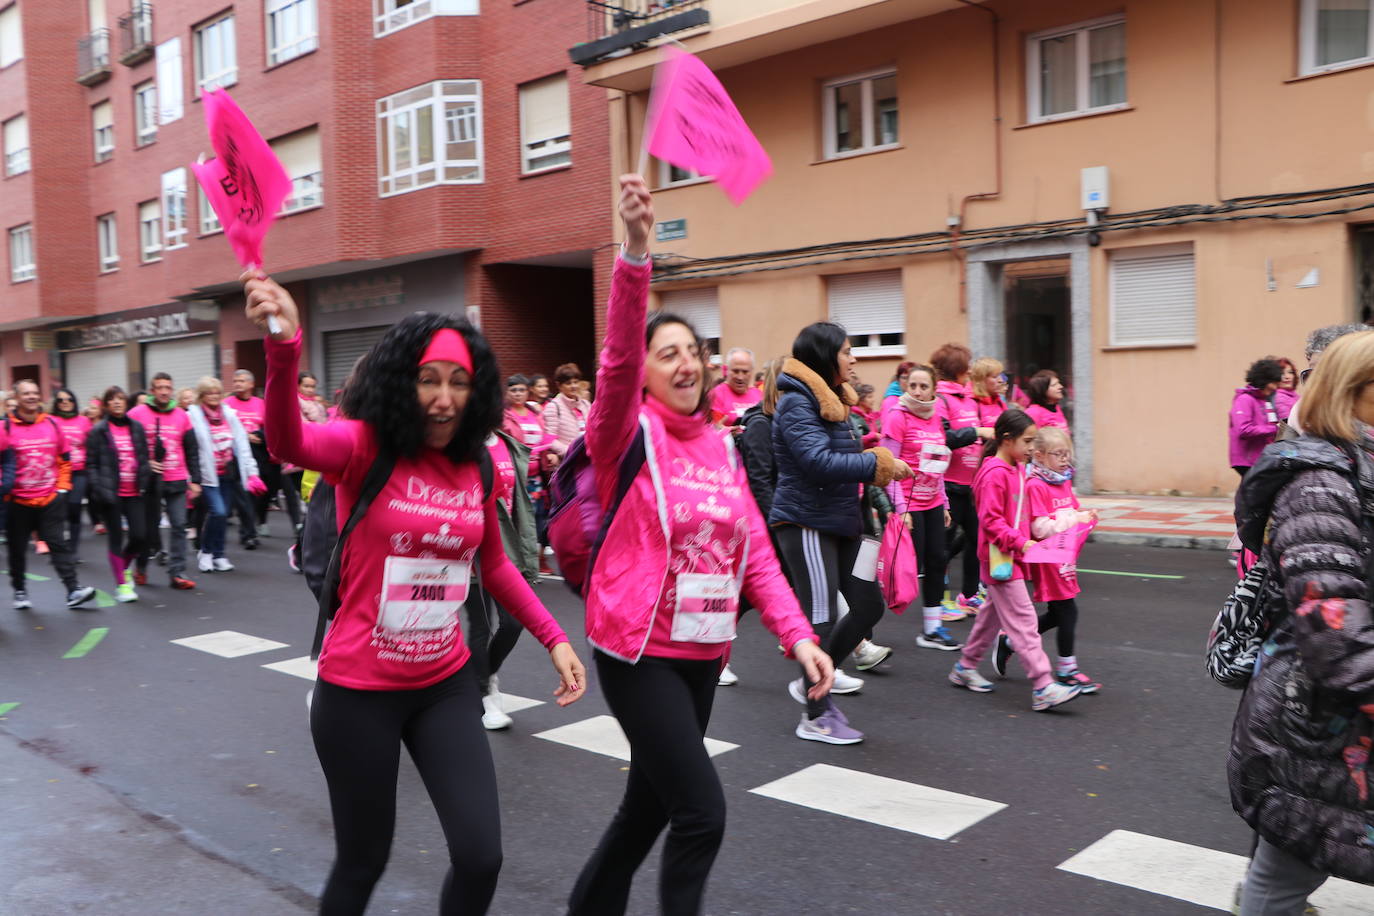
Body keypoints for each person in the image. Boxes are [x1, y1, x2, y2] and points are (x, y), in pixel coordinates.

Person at [243, 262, 587, 916]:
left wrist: (554, 637)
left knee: (482, 857)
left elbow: (495, 564)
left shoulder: (476, 463)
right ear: (404, 384)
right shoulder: (364, 446)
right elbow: (287, 439)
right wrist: (283, 345)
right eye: (429, 380)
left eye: (460, 382)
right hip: (358, 693)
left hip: (443, 684)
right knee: (363, 861)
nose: (444, 397)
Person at [567, 176, 833, 916]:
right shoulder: (625, 434)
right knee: (702, 813)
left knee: (643, 815)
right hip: (640, 654)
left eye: (694, 350)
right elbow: (616, 363)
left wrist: (800, 639)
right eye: (669, 353)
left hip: (702, 655)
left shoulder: (720, 447)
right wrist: (636, 256)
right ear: (647, 372)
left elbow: (754, 553)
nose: (686, 362)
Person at [1230, 329, 1374, 913]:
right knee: (1284, 870)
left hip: (1348, 714)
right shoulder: (1321, 482)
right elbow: (1332, 627)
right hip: (1320, 720)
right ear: (1354, 393)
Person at [770, 320, 912, 743]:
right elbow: (818, 462)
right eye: (848, 351)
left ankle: (815, 675)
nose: (854, 358)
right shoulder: (797, 402)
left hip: (843, 522)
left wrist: (874, 465)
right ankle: (814, 716)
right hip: (807, 523)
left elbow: (837, 458)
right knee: (821, 620)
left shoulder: (832, 402)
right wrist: (880, 464)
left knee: (869, 606)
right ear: (824, 356)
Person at [947, 408, 1081, 711]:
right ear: (1007, 440)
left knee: (990, 617)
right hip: (1000, 558)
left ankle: (965, 667)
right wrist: (1022, 543)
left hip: (1013, 556)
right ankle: (1043, 685)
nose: (1033, 448)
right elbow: (992, 522)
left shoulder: (1018, 468)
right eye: (1028, 441)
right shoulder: (995, 474)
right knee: (1024, 621)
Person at [993, 425, 1100, 692]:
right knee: (1068, 610)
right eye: (1058, 453)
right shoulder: (1036, 485)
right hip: (1047, 556)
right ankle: (1067, 670)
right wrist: (1074, 519)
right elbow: (1039, 527)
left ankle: (1009, 642)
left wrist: (1084, 518)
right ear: (1039, 455)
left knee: (1057, 612)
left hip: (1065, 555)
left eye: (1067, 453)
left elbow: (1071, 511)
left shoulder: (1062, 480)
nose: (1064, 459)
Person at [881, 363, 979, 650]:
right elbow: (888, 466)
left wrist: (945, 503)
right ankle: (860, 620)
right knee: (909, 566)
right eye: (912, 385)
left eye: (924, 386)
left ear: (933, 390)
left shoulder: (936, 417)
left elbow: (937, 466)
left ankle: (932, 629)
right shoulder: (897, 417)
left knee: (938, 560)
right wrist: (902, 508)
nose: (918, 391)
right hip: (909, 502)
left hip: (934, 501)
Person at [465, 426, 540, 731]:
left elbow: (518, 498)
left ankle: (484, 673)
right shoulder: (461, 442)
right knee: (481, 626)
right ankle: (485, 695)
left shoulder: (507, 443)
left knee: (513, 623)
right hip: (471, 549)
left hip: (506, 549)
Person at [5, 380, 96, 610]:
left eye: (35, 392)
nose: (32, 397)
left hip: (50, 498)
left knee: (58, 544)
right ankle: (19, 589)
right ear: (16, 397)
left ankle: (73, 590)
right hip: (17, 501)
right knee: (17, 548)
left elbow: (65, 460)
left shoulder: (52, 424)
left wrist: (62, 488)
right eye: (26, 393)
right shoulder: (5, 428)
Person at [932, 343, 995, 618]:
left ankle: (968, 596)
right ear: (955, 369)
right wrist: (977, 430)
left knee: (977, 541)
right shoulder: (941, 400)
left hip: (972, 485)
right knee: (942, 547)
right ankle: (940, 601)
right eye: (966, 365)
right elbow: (943, 437)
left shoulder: (969, 399)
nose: (970, 369)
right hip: (948, 486)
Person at [129, 373, 201, 590]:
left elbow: (192, 450)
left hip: (176, 478)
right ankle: (141, 568)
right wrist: (146, 462)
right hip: (149, 481)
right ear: (152, 390)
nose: (163, 391)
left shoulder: (181, 415)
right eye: (159, 387)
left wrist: (195, 480)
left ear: (172, 390)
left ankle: (177, 573)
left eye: (167, 387)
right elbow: (125, 447)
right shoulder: (136, 414)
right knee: (148, 530)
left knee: (179, 526)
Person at [186, 377, 264, 574]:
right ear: (201, 396)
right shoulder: (192, 416)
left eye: (217, 393)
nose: (213, 396)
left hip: (228, 472)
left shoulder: (229, 414)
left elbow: (242, 444)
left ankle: (219, 554)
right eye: (209, 393)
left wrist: (252, 473)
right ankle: (205, 552)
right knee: (218, 512)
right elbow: (189, 447)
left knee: (223, 515)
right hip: (206, 475)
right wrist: (191, 477)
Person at [85, 387, 151, 604]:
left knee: (140, 536)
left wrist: (145, 478)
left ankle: (123, 567)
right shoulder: (99, 431)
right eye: (112, 399)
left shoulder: (137, 428)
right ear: (105, 405)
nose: (117, 403)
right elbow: (92, 464)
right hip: (111, 493)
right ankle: (122, 585)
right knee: (115, 538)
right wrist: (98, 488)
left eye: (121, 399)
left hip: (134, 491)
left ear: (126, 403)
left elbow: (143, 457)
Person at [501, 374, 558, 576]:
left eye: (522, 390)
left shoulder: (536, 413)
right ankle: (515, 564)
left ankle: (532, 562)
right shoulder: (504, 416)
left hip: (536, 477)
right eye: (513, 390)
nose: (518, 394)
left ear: (528, 392)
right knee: (517, 519)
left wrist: (549, 453)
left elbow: (545, 439)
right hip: (515, 476)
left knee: (539, 519)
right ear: (507, 393)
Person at [228, 369, 268, 549]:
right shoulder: (227, 404)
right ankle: (248, 534)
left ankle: (253, 526)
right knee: (243, 496)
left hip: (257, 453)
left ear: (251, 384)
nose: (238, 384)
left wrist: (259, 435)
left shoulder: (260, 404)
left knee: (255, 495)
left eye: (242, 381)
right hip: (235, 454)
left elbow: (270, 427)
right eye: (235, 381)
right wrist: (243, 435)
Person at [50, 388, 93, 557]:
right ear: (56, 403)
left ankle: (73, 551)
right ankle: (59, 548)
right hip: (58, 473)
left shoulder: (84, 421)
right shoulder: (51, 420)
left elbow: (92, 445)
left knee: (74, 508)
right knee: (60, 511)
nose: (65, 402)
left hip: (79, 472)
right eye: (61, 400)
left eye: (69, 399)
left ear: (74, 402)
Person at [1230, 359, 1284, 479]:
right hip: (1247, 460)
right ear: (1263, 380)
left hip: (1260, 457)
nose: (1275, 388)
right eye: (1273, 383)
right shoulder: (1245, 399)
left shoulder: (1263, 400)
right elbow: (1243, 429)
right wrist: (1275, 429)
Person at [543, 362, 592, 458]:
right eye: (568, 383)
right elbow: (549, 439)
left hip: (587, 458)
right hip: (568, 460)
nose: (573, 386)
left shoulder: (586, 405)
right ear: (559, 385)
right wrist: (570, 452)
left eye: (576, 382)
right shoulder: (553, 406)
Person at [707, 347, 762, 428]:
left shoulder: (759, 395)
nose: (740, 377)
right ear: (727, 370)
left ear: (752, 371)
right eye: (735, 371)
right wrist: (725, 433)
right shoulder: (715, 395)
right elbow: (713, 428)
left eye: (745, 372)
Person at [970, 357, 1009, 428]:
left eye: (1000, 375)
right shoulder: (971, 403)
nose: (1000, 380)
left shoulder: (1000, 403)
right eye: (995, 377)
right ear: (981, 379)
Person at [850, 384, 882, 448]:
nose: (873, 400)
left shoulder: (870, 415)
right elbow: (856, 440)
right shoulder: (855, 417)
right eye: (869, 397)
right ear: (860, 400)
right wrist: (873, 436)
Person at [1269, 356, 1299, 422]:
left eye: (1290, 372)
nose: (1287, 377)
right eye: (1281, 374)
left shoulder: (1295, 395)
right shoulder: (1279, 397)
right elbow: (1288, 424)